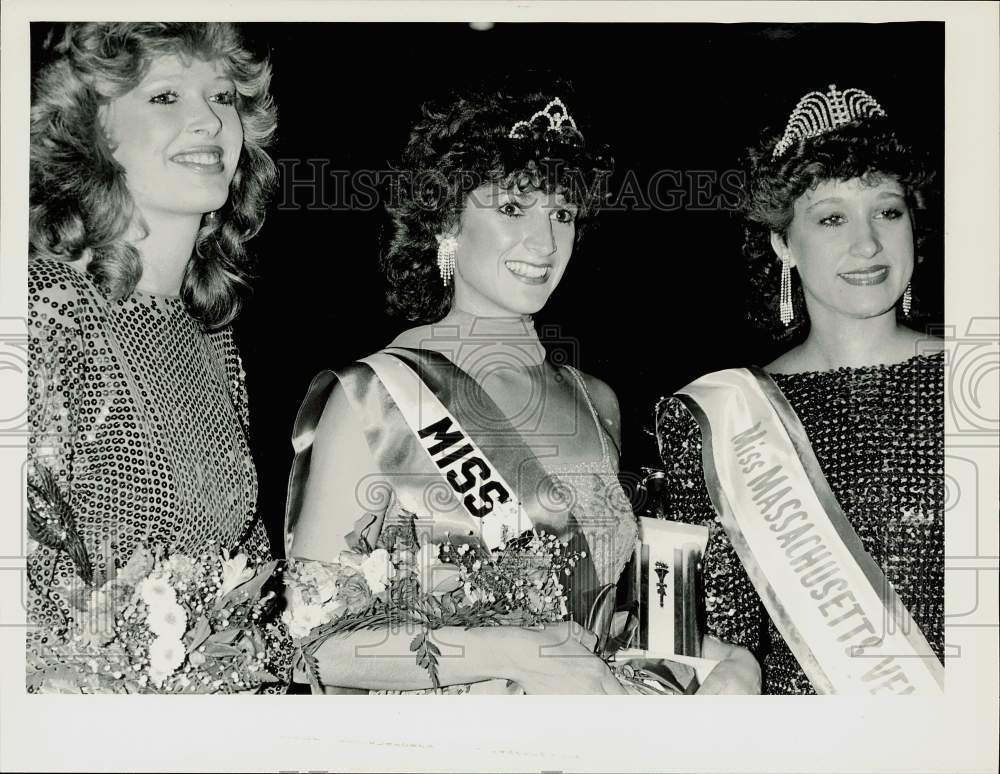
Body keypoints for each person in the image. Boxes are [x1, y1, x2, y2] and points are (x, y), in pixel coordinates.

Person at [286, 86, 759, 694]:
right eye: (513, 208)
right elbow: (312, 648)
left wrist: (727, 658)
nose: (544, 244)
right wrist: (510, 653)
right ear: (447, 219)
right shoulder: (378, 396)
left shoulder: (596, 401)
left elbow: (601, 628)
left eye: (562, 214)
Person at [655, 85, 945, 695]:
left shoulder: (976, 384)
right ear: (783, 242)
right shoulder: (718, 416)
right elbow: (691, 632)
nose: (867, 244)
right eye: (832, 218)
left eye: (888, 211)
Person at [26, 22, 290, 690]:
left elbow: (242, 569)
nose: (208, 119)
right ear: (91, 130)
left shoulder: (211, 340)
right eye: (166, 97)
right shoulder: (46, 312)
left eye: (225, 98)